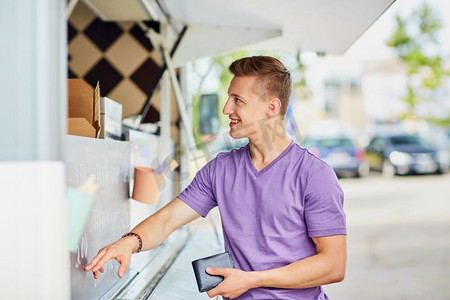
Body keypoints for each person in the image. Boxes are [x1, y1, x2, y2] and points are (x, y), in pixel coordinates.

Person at [85, 56, 347, 299]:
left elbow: (333, 265)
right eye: (228, 98)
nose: (226, 109)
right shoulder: (220, 169)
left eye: (238, 100)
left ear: (271, 107)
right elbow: (166, 220)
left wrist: (252, 280)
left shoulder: (314, 174)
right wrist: (129, 243)